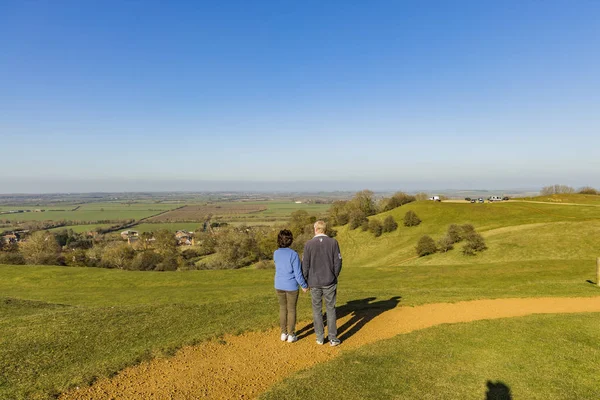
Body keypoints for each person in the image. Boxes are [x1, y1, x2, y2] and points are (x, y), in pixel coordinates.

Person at [302, 220, 342, 346]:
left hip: (314, 282)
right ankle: (333, 338)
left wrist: (305, 281)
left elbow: (305, 265)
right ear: (325, 229)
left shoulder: (308, 244)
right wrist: (334, 275)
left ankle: (319, 337)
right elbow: (338, 262)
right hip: (329, 281)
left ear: (315, 229)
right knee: (330, 309)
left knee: (317, 310)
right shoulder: (333, 242)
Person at [273, 229, 308, 343]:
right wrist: (304, 285)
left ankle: (283, 333)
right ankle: (292, 335)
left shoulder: (276, 253)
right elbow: (298, 273)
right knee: (291, 310)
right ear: (290, 241)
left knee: (283, 309)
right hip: (291, 286)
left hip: (279, 285)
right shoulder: (293, 254)